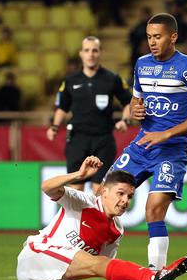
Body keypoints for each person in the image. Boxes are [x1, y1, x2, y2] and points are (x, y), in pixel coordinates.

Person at [106, 13, 187, 280]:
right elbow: (136, 101)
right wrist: (134, 111)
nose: (153, 42)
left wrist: (166, 135)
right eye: (149, 37)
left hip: (172, 150)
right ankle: (87, 262)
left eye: (158, 36)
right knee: (104, 197)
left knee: (153, 209)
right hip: (142, 146)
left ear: (173, 37)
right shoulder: (142, 64)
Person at [17, 156, 187, 280]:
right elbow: (46, 187)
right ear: (105, 192)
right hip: (35, 260)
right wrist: (79, 174)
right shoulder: (83, 202)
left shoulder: (116, 230)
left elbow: (110, 269)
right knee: (100, 263)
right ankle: (153, 277)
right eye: (120, 193)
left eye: (130, 196)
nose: (125, 200)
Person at [46, 36, 132, 192]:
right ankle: (79, 218)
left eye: (94, 50)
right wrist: (54, 127)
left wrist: (125, 121)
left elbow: (128, 102)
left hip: (103, 140)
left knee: (99, 190)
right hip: (77, 140)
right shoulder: (70, 80)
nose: (90, 54)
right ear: (81, 53)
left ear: (100, 53)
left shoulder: (112, 79)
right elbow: (62, 107)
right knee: (76, 190)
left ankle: (96, 217)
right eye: (87, 50)